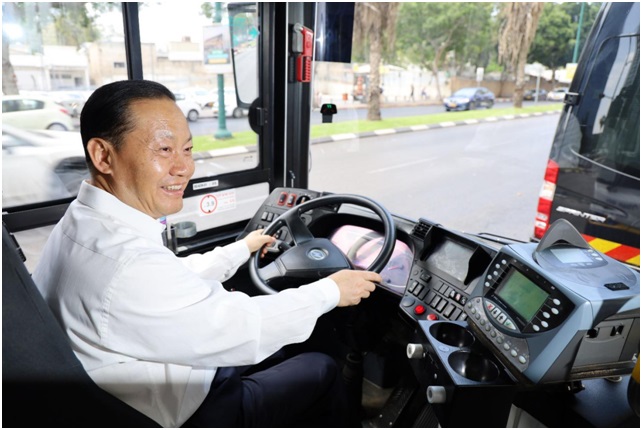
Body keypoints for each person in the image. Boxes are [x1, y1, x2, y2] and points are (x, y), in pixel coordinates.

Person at [32, 79, 382, 428]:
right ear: (103, 156)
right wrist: (331, 291)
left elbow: (168, 281)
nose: (185, 167)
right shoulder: (126, 263)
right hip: (191, 410)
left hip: (163, 370)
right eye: (164, 149)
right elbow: (245, 327)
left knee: (284, 348)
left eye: (187, 149)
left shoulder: (84, 224)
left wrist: (240, 249)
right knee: (321, 367)